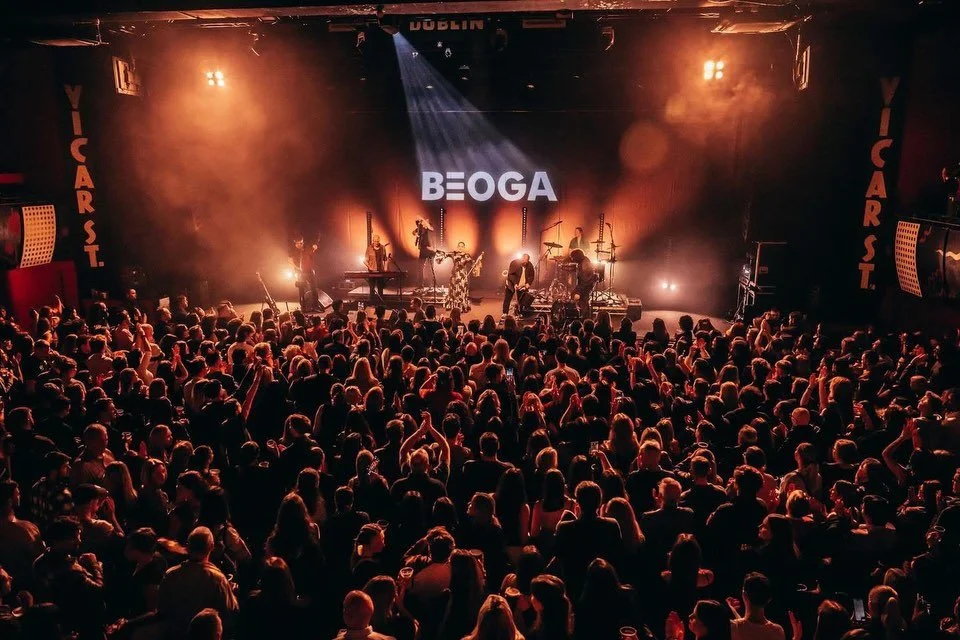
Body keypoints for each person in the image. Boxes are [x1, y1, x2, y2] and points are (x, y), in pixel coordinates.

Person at [158, 526, 239, 639]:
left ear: (188, 546)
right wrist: (231, 592)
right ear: (211, 547)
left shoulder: (170, 574)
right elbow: (229, 614)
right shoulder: (217, 579)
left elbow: (161, 609)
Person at [727, 573, 785, 640]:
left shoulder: (733, 628)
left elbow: (746, 626)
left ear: (744, 594)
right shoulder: (778, 631)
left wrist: (729, 609)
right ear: (769, 599)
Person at [440, 242, 477, 313]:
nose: (460, 247)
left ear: (464, 247)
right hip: (454, 274)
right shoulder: (454, 253)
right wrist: (435, 252)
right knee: (453, 290)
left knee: (461, 291)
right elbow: (445, 254)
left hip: (462, 275)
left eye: (462, 246)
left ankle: (462, 306)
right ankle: (453, 306)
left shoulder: (466, 255)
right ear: (457, 247)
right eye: (459, 246)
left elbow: (472, 263)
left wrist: (476, 262)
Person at [289, 236, 319, 310]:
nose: (301, 245)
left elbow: (312, 256)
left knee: (314, 288)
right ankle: (303, 307)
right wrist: (297, 269)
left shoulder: (306, 248)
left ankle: (315, 306)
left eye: (302, 243)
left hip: (309, 271)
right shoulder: (293, 251)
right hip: (300, 273)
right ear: (295, 243)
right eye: (299, 243)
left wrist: (315, 248)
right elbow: (290, 261)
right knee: (301, 290)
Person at [569, 249, 597, 318]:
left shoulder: (585, 264)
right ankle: (584, 316)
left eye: (573, 257)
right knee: (582, 300)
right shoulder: (583, 261)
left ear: (577, 256)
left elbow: (585, 280)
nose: (572, 259)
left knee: (582, 299)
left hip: (586, 285)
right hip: (585, 284)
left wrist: (579, 291)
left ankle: (584, 317)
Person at [365, 235, 389, 301]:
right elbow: (365, 261)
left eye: (377, 241)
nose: (376, 242)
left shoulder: (383, 248)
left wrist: (386, 267)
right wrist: (370, 267)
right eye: (375, 241)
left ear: (379, 241)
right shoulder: (369, 248)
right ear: (373, 241)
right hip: (372, 272)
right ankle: (371, 302)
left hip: (381, 271)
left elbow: (385, 259)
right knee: (372, 289)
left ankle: (380, 303)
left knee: (380, 288)